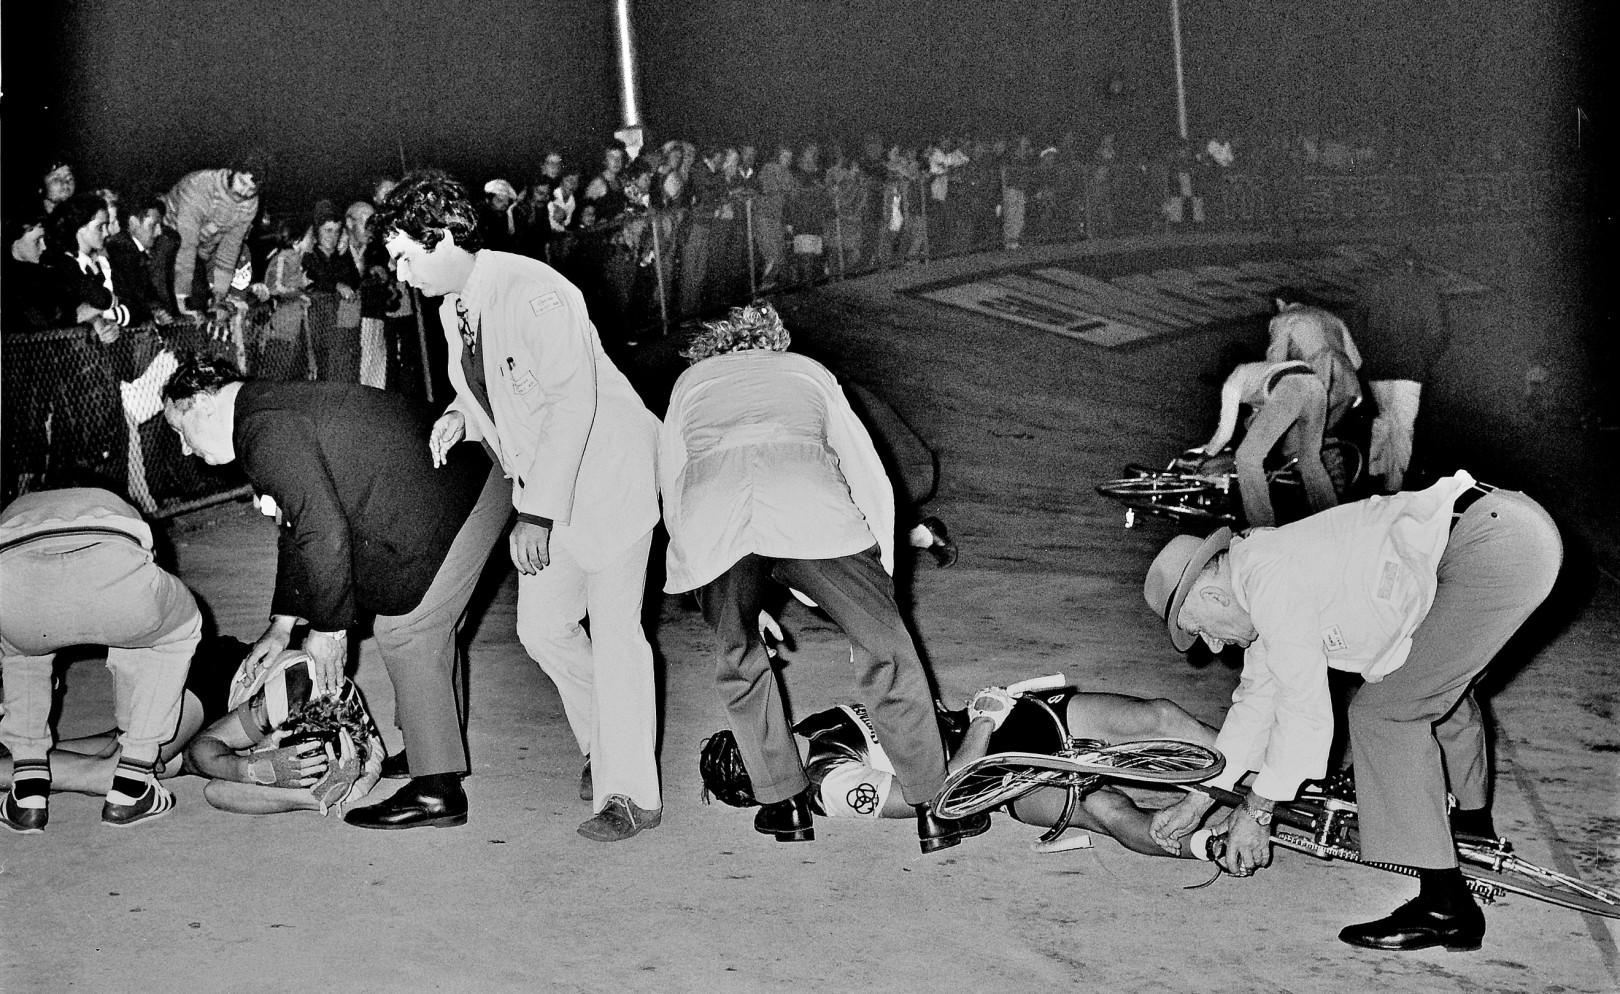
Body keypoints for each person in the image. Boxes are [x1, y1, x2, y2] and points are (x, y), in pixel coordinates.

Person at [1143, 472, 1561, 951]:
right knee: (1433, 690)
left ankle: (1446, 908)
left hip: (1493, 543)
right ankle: (1470, 827)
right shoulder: (1257, 574)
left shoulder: (1266, 575)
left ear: (1213, 595)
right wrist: (1202, 799)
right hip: (1507, 529)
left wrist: (1258, 811)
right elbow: (1258, 701)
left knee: (1385, 714)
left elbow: (1304, 708)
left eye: (1202, 629)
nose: (1214, 646)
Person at [377, 172, 663, 843]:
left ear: (442, 237)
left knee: (618, 636)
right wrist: (462, 418)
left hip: (606, 474)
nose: (400, 273)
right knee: (543, 628)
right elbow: (502, 387)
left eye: (405, 256)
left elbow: (570, 401)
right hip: (549, 485)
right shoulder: (456, 309)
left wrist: (536, 514)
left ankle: (631, 794)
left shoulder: (535, 291)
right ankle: (606, 743)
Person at [659, 301, 987, 854]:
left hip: (712, 516)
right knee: (887, 653)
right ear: (772, 342)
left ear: (712, 349)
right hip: (808, 506)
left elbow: (672, 483)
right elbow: (867, 473)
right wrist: (879, 582)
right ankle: (935, 808)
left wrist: (710, 584)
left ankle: (784, 805)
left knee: (739, 662)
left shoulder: (691, 384)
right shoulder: (807, 372)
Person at [160, 353, 510, 830]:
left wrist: (329, 628)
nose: (183, 449)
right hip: (463, 482)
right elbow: (297, 526)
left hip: (461, 490)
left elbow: (322, 531)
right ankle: (428, 751)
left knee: (408, 629)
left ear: (200, 403)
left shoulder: (262, 430)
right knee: (423, 623)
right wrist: (282, 627)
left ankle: (438, 790)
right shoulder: (261, 416)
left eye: (180, 430)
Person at [701, 677, 1219, 858]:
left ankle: (1254, 767)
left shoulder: (814, 728)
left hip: (1001, 726)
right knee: (1111, 812)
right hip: (1001, 774)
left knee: (1159, 718)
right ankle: (1207, 846)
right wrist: (984, 722)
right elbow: (942, 794)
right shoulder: (832, 785)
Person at [0, 488, 202, 832]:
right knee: (174, 631)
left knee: (20, 653)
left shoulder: (19, 505)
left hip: (15, 586)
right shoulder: (112, 499)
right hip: (114, 576)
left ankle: (27, 790)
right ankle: (133, 779)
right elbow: (151, 560)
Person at [185, 649, 383, 816]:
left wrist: (315, 797)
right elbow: (195, 754)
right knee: (161, 755)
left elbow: (216, 791)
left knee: (167, 768)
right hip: (223, 677)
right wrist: (251, 770)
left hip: (254, 720)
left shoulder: (359, 766)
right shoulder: (296, 691)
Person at [1192, 360, 1341, 528]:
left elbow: (1225, 432)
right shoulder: (1257, 373)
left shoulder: (1232, 383)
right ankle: (1333, 519)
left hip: (1290, 387)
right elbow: (1261, 422)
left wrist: (1207, 455)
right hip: (1315, 386)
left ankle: (1262, 527)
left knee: (1247, 458)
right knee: (1309, 460)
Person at [1352, 247, 1449, 492]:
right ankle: (1395, 485)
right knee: (1403, 424)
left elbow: (1358, 323)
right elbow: (1436, 330)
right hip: (1410, 366)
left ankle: (1378, 475)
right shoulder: (1424, 287)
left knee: (1386, 417)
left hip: (1377, 366)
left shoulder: (1372, 285)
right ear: (1413, 264)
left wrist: (1369, 353)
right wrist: (1425, 358)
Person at [161, 151, 266, 320]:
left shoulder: (250, 203)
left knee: (207, 305)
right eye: (241, 182)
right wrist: (182, 299)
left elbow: (229, 251)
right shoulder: (200, 186)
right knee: (186, 305)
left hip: (202, 253)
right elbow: (186, 245)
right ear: (232, 171)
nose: (244, 192)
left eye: (251, 189)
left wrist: (219, 298)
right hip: (171, 245)